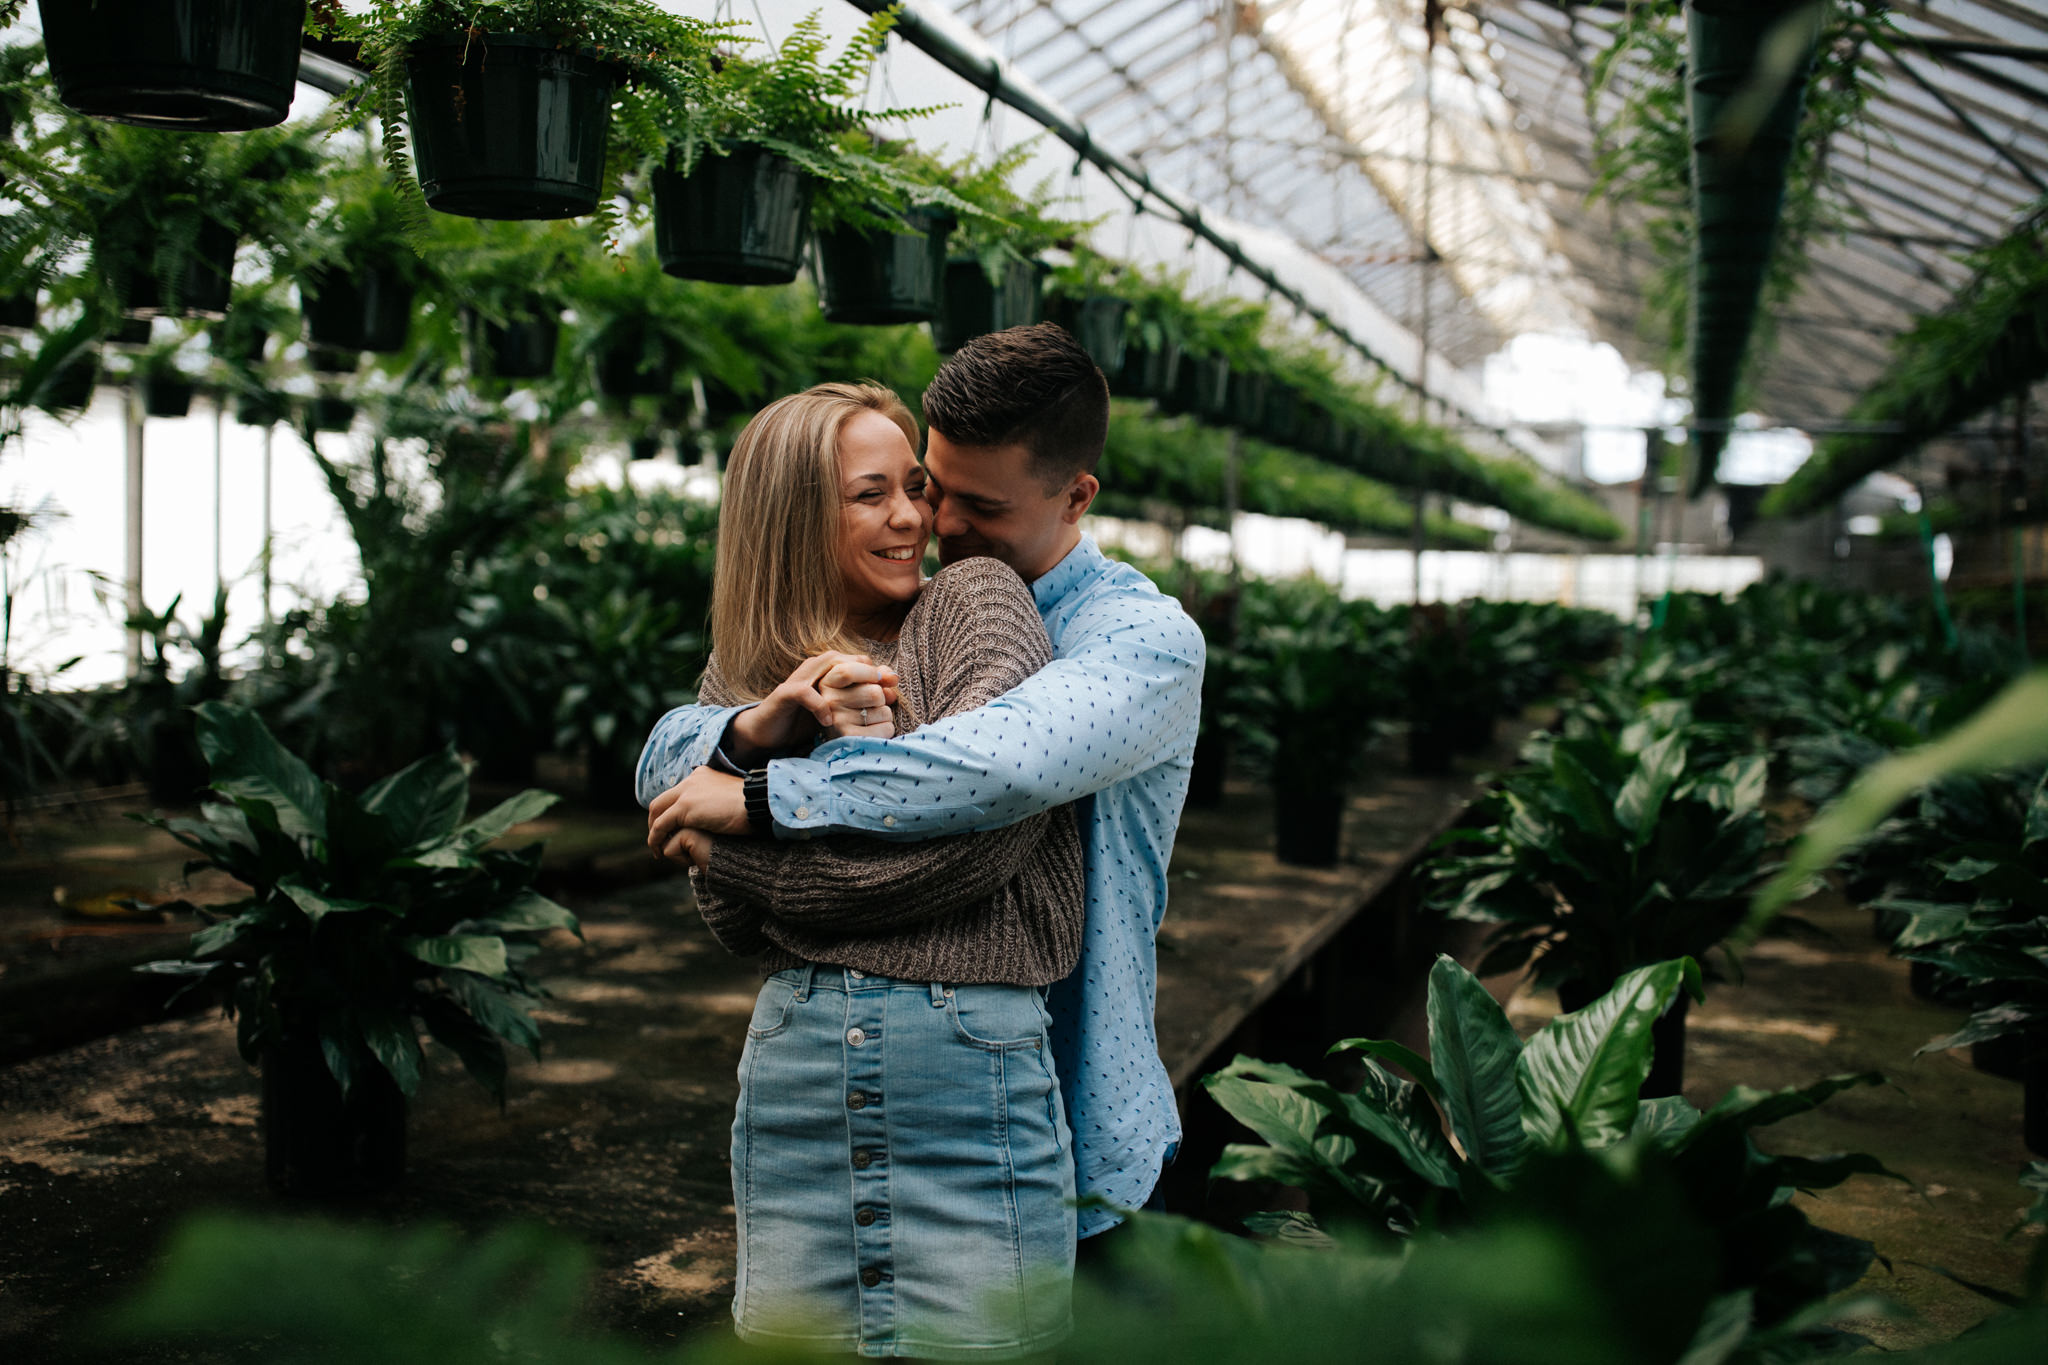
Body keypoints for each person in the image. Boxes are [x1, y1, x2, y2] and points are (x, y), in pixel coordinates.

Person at [640, 324, 1206, 1250]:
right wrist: (746, 733)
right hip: (864, 1092)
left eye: (977, 506)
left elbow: (991, 775)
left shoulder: (1140, 641)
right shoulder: (903, 619)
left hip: (1080, 1099)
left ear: (1077, 496)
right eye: (929, 488)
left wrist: (752, 807)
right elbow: (671, 755)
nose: (937, 524)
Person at [675, 381, 1087, 1358]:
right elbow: (720, 920)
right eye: (872, 494)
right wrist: (747, 813)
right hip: (797, 1078)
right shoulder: (749, 675)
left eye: (912, 486)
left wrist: (753, 852)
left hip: (963, 1082)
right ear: (790, 516)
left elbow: (971, 847)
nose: (914, 517)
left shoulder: (974, 603)